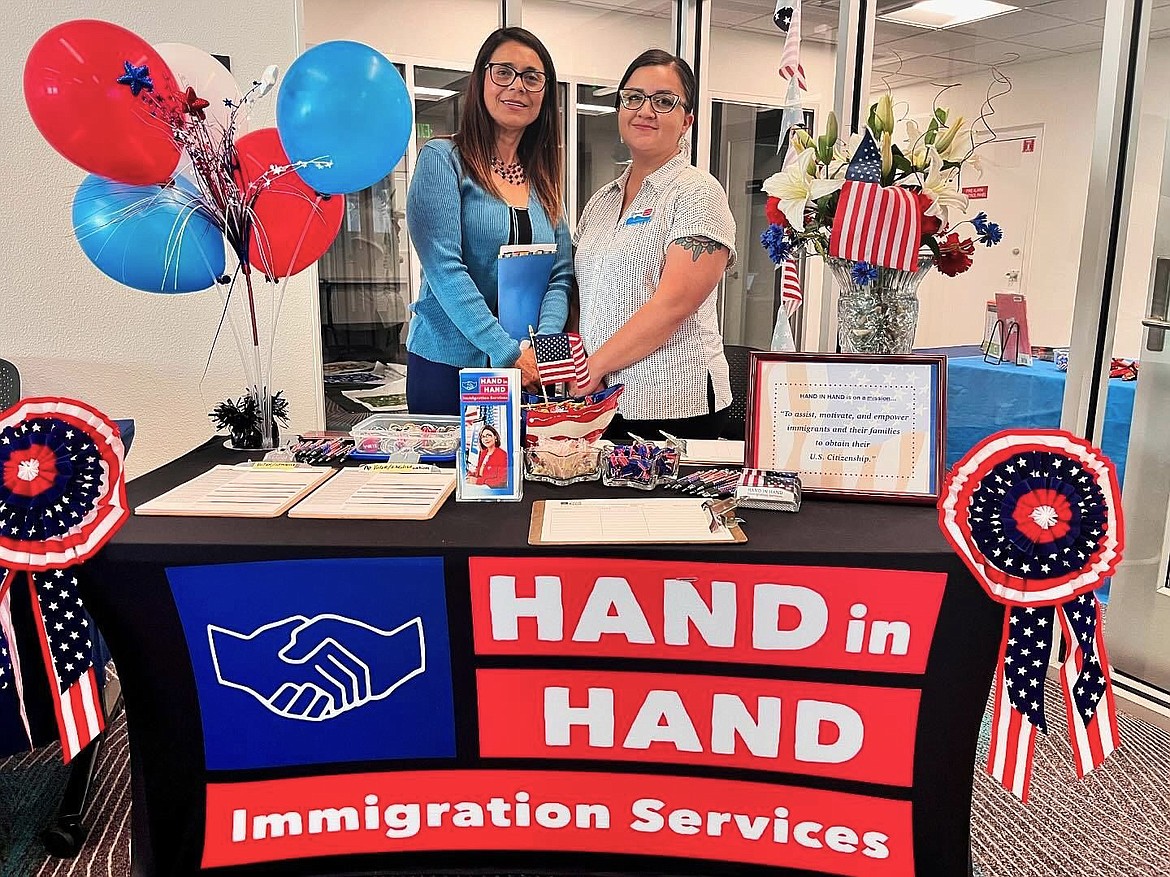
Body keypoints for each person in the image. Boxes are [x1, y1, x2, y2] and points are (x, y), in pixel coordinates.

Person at [405, 28, 571, 415]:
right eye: (504, 72)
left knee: (522, 473)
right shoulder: (443, 160)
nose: (518, 87)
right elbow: (445, 269)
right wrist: (507, 352)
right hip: (448, 367)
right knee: (451, 476)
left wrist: (542, 353)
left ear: (545, 95)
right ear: (481, 79)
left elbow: (560, 276)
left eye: (532, 77)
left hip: (528, 372)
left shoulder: (544, 179)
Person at [573, 50, 736, 441]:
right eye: (633, 98)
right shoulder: (601, 200)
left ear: (686, 121)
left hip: (674, 401)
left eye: (664, 101)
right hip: (601, 399)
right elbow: (582, 292)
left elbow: (674, 304)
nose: (645, 110)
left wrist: (594, 366)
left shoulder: (697, 192)